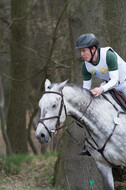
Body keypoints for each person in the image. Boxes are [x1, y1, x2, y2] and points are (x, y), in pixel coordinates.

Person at [75, 33, 126, 155]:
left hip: (123, 83)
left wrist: (100, 89)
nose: (82, 54)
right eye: (80, 51)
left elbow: (115, 80)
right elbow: (85, 89)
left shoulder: (108, 55)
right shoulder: (85, 66)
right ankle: (90, 144)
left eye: (84, 51)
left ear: (93, 49)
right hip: (108, 86)